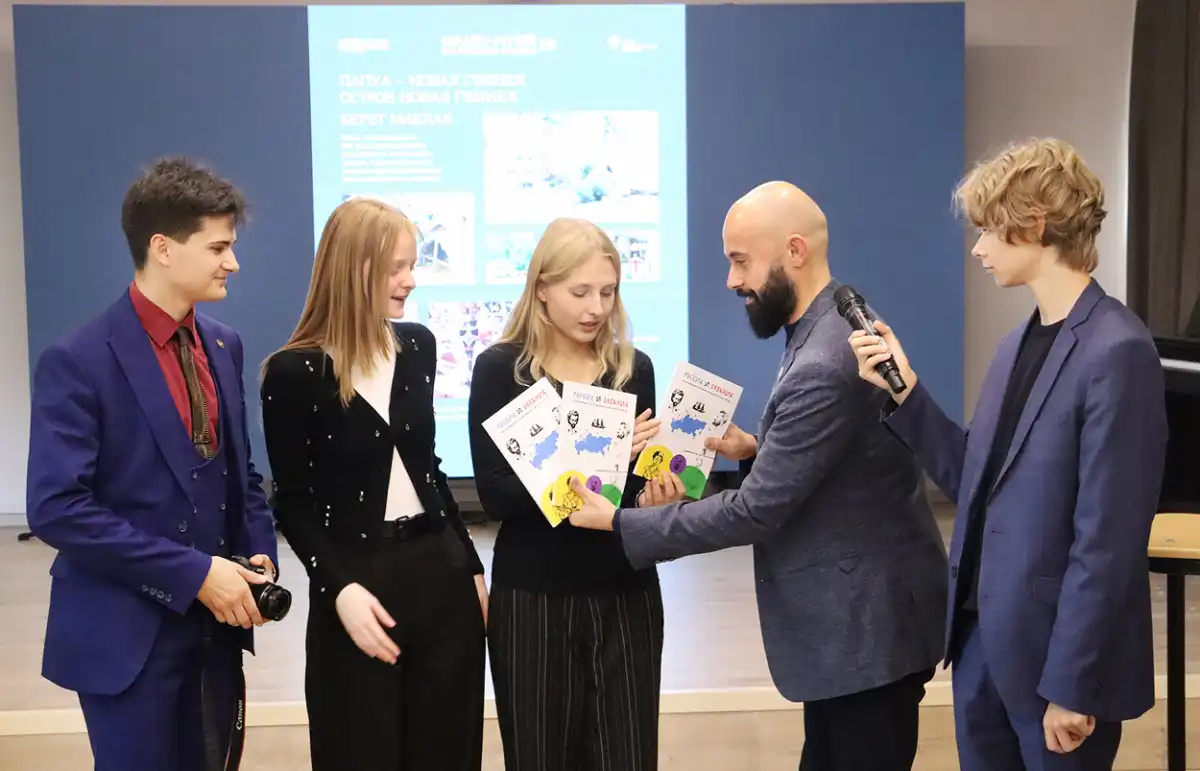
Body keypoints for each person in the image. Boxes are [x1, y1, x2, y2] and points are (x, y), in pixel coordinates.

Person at [567, 183, 949, 771]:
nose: (731, 280)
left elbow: (754, 511)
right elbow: (840, 459)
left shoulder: (822, 360)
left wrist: (620, 521)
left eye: (741, 260)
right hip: (863, 631)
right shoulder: (839, 314)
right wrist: (759, 448)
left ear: (794, 250)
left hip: (865, 633)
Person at [849, 137, 1168, 770]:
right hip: (982, 648)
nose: (978, 248)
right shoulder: (1014, 344)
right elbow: (976, 482)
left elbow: (1108, 541)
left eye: (989, 230)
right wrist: (905, 391)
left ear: (1036, 224)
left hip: (1056, 665)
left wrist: (1072, 684)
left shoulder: (1118, 351)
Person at [25, 157, 278, 771]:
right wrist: (194, 573)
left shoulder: (225, 344)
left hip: (215, 634)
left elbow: (240, 473)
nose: (233, 263)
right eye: (218, 247)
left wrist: (257, 549)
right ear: (163, 248)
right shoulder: (78, 359)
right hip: (125, 639)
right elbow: (57, 508)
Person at [260, 197, 487, 771]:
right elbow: (293, 503)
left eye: (412, 266)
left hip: (441, 579)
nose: (410, 280)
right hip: (355, 586)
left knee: (448, 751)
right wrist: (339, 590)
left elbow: (428, 469)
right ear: (351, 268)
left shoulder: (418, 346)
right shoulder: (292, 373)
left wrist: (470, 567)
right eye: (395, 268)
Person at [467, 217, 682, 771]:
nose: (596, 308)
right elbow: (497, 497)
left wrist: (655, 502)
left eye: (607, 292)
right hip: (534, 600)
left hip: (627, 594)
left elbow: (627, 496)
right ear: (542, 288)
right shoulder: (501, 370)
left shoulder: (632, 370)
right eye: (580, 292)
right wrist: (600, 456)